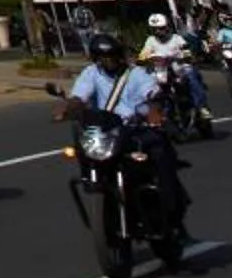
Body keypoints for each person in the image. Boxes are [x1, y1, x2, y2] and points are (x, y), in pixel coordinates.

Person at [58, 30, 189, 210]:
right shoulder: (91, 73)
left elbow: (152, 94)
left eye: (112, 56)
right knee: (83, 144)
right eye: (103, 57)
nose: (109, 60)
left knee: (159, 149)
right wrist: (67, 108)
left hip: (133, 129)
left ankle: (170, 205)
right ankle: (93, 180)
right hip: (106, 131)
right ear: (96, 58)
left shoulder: (136, 74)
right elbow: (80, 96)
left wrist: (154, 110)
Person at [137, 10, 206, 113]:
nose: (158, 31)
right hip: (161, 71)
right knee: (148, 86)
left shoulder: (176, 38)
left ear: (167, 27)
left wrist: (186, 56)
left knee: (191, 77)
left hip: (180, 68)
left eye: (161, 28)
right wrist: (141, 60)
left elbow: (186, 50)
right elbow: (144, 54)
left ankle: (201, 107)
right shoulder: (150, 41)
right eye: (155, 29)